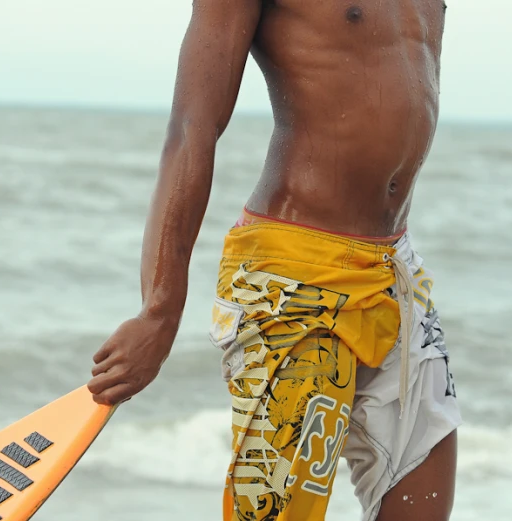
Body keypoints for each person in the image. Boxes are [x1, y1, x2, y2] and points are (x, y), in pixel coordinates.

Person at [87, 1, 462, 519]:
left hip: (396, 270)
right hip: (291, 275)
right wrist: (160, 309)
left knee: (422, 504)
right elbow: (192, 125)